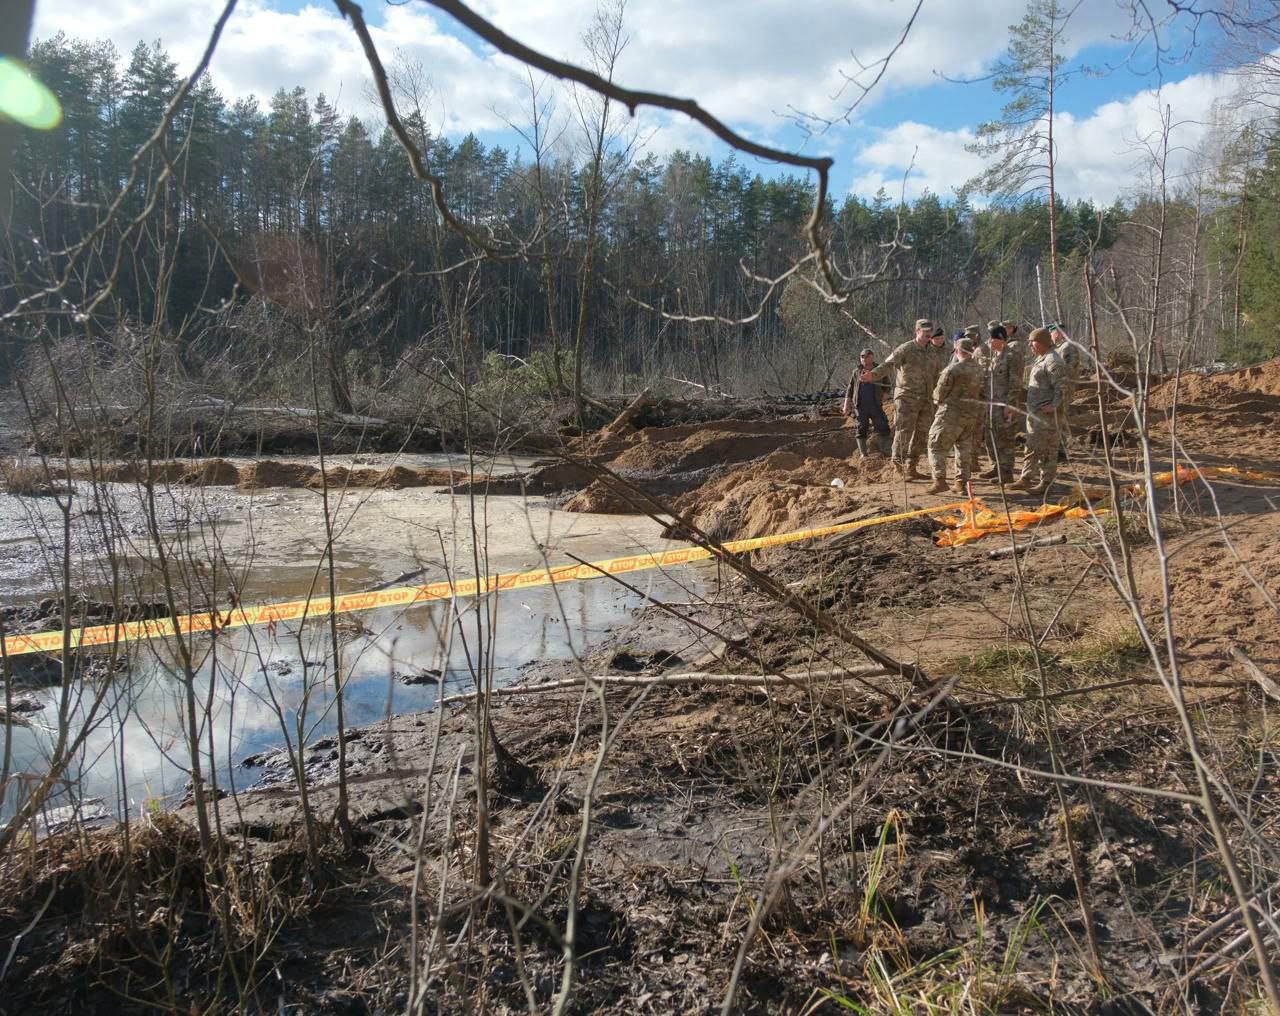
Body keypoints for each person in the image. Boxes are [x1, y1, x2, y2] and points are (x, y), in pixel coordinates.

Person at [861, 318, 936, 479]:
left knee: (921, 434)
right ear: (917, 332)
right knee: (904, 432)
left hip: (926, 399)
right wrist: (872, 375)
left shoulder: (932, 351)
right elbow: (888, 365)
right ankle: (898, 466)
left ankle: (912, 468)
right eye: (924, 333)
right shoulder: (906, 349)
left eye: (930, 333)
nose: (928, 336)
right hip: (907, 398)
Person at [1010, 328, 1066, 495]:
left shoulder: (1053, 361)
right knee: (1033, 445)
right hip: (1036, 412)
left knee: (1046, 448)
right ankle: (1027, 478)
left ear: (1041, 342)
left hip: (1046, 415)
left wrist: (1055, 406)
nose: (1030, 345)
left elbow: (1063, 386)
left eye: (1032, 342)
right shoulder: (1041, 359)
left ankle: (1044, 482)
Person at [926, 336, 985, 494]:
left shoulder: (953, 369)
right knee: (964, 448)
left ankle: (939, 480)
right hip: (971, 414)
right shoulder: (980, 369)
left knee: (935, 445)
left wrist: (936, 400)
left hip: (951, 414)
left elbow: (939, 394)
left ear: (957, 350)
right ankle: (961, 483)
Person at [977, 323, 1023, 481]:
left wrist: (1009, 405)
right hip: (991, 405)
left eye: (992, 339)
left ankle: (1006, 472)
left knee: (1005, 439)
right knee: (991, 438)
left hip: (1004, 405)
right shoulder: (993, 356)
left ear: (1001, 339)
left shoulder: (1012, 356)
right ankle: (995, 467)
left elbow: (1015, 383)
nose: (989, 342)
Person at [842, 347, 891, 458]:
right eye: (862, 357)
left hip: (875, 404)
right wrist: (846, 404)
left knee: (883, 427)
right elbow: (850, 388)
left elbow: (888, 385)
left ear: (872, 357)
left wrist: (885, 395)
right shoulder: (856, 372)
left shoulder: (879, 370)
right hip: (860, 406)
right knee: (861, 428)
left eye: (867, 356)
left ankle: (886, 451)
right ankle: (863, 454)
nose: (864, 359)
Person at [1049, 322, 1080, 458]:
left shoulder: (1068, 347)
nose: (1051, 336)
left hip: (1064, 387)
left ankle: (1061, 449)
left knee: (1059, 415)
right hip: (1056, 386)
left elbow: (1070, 368)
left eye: (1052, 332)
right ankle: (1058, 446)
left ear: (1059, 333)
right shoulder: (1056, 348)